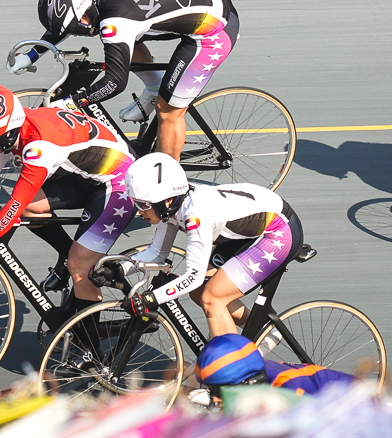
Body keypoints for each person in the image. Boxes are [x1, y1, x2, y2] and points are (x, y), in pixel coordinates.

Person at [0, 84, 136, 331]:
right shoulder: (17, 126)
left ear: (6, 134)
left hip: (118, 184)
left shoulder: (40, 147)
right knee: (32, 211)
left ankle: (90, 351)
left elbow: (16, 201)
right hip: (87, 175)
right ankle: (69, 254)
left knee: (80, 266)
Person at [36, 0, 238, 159]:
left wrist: (71, 105)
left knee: (167, 113)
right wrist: (32, 54)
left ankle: (166, 186)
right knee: (120, 40)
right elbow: (66, 23)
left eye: (76, 29)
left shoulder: (117, 21)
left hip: (215, 29)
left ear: (85, 14)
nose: (77, 34)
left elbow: (115, 83)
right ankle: (154, 87)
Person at [122, 152, 299, 341]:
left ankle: (233, 366)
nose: (139, 212)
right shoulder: (171, 207)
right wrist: (118, 268)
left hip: (277, 232)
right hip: (245, 232)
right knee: (199, 293)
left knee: (212, 298)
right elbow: (156, 253)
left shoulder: (195, 215)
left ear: (166, 200)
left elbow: (193, 276)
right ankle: (263, 332)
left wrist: (152, 298)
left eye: (142, 204)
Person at [191, 331, 355, 408]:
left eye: (219, 392)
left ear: (250, 383)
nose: (216, 399)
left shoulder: (289, 391)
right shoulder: (257, 375)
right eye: (211, 391)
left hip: (356, 410)